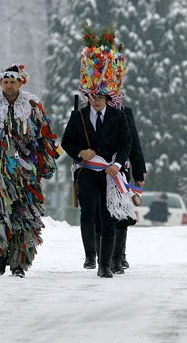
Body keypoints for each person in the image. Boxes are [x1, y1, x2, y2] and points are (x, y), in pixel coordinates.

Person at [0, 64, 58, 278]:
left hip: (26, 174)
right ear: (1, 84)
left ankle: (19, 262)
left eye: (12, 82)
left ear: (20, 83)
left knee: (24, 217)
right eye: (5, 82)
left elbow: (44, 138)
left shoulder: (33, 107)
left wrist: (46, 162)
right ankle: (1, 254)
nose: (8, 86)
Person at [62, 23, 132, 278]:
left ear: (107, 95)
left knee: (109, 216)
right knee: (88, 212)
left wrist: (119, 163)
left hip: (110, 173)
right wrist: (80, 153)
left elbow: (126, 143)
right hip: (87, 174)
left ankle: (105, 264)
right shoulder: (78, 116)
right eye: (93, 95)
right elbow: (66, 142)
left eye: (101, 95)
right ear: (88, 95)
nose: (97, 99)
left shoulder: (118, 116)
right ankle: (90, 255)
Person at [110, 106, 147, 274]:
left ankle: (118, 256)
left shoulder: (124, 112)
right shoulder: (87, 113)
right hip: (96, 171)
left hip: (120, 172)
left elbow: (133, 143)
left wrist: (139, 172)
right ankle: (105, 254)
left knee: (121, 214)